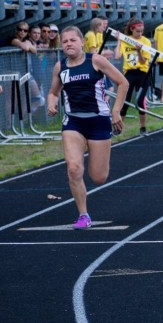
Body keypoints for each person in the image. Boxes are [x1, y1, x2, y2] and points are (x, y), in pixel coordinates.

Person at [47, 26, 129, 229]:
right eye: (65, 41)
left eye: (73, 40)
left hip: (98, 121)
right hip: (73, 122)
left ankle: (98, 159)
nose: (69, 44)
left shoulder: (96, 61)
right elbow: (53, 92)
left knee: (99, 177)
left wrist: (116, 111)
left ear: (82, 42)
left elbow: (123, 83)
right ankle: (83, 215)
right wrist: (51, 103)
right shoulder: (60, 67)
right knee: (74, 168)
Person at [113, 19, 153, 134]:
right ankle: (119, 128)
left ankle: (143, 127)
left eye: (141, 31)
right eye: (137, 31)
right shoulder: (126, 40)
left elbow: (143, 62)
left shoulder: (145, 41)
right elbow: (117, 56)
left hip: (143, 73)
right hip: (129, 73)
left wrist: (139, 51)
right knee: (125, 101)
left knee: (140, 101)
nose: (140, 34)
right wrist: (119, 41)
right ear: (132, 29)